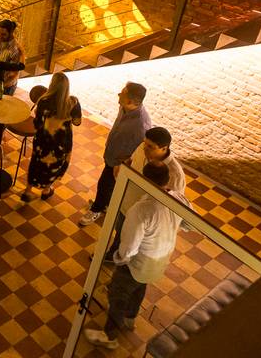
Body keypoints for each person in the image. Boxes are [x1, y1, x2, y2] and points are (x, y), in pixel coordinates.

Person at [84, 162, 191, 350]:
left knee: (118, 295)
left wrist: (120, 259)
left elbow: (130, 246)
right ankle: (130, 318)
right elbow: (190, 224)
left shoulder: (142, 210)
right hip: (161, 259)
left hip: (139, 261)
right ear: (167, 179)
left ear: (144, 180)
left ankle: (110, 335)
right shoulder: (179, 199)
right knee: (140, 287)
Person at [105, 127, 186, 261]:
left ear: (164, 148)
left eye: (150, 147)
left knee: (136, 244)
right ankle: (113, 253)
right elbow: (131, 161)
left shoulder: (175, 175)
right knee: (120, 232)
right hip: (126, 206)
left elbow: (173, 205)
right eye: (145, 143)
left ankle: (124, 260)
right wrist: (122, 167)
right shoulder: (141, 149)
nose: (145, 149)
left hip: (146, 218)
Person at [80, 82, 152, 226]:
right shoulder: (124, 107)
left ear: (130, 101)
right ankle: (104, 204)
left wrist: (121, 164)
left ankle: (96, 209)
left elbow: (138, 151)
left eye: (122, 93)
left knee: (104, 184)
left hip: (119, 162)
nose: (118, 94)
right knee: (108, 185)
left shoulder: (140, 126)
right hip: (112, 155)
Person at [22, 72, 82, 202]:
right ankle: (46, 190)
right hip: (61, 142)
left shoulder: (43, 101)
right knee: (53, 166)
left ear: (52, 85)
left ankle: (28, 191)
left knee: (36, 164)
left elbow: (37, 123)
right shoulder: (73, 102)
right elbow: (77, 122)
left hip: (43, 140)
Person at [0, 20, 25, 95]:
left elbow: (13, 74)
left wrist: (0, 86)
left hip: (5, 87)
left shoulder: (15, 50)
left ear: (10, 33)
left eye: (3, 34)